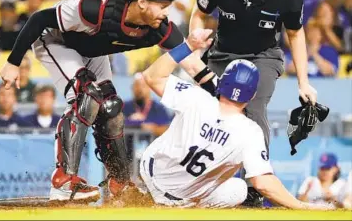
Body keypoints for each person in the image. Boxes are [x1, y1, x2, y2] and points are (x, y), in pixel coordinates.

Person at [0, 0, 213, 203]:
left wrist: (219, 93)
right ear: (141, 2)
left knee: (111, 107)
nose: (166, 12)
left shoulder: (160, 27)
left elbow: (191, 63)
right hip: (55, 39)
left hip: (92, 50)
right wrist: (13, 62)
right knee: (87, 95)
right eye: (161, 5)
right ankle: (63, 182)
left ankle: (120, 183)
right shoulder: (95, 9)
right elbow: (39, 19)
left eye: (168, 5)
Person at [188, 0, 318, 206]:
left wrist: (303, 83)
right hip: (222, 54)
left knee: (254, 108)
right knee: (209, 111)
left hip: (264, 56)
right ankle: (200, 182)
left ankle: (255, 189)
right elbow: (199, 14)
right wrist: (195, 52)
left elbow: (296, 34)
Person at [140, 28, 332, 210]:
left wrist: (188, 46)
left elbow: (152, 76)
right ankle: (187, 206)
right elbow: (263, 183)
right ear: (252, 95)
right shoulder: (250, 131)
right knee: (239, 189)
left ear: (222, 82)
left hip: (151, 173)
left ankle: (144, 193)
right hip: (183, 198)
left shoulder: (196, 97)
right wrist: (302, 205)